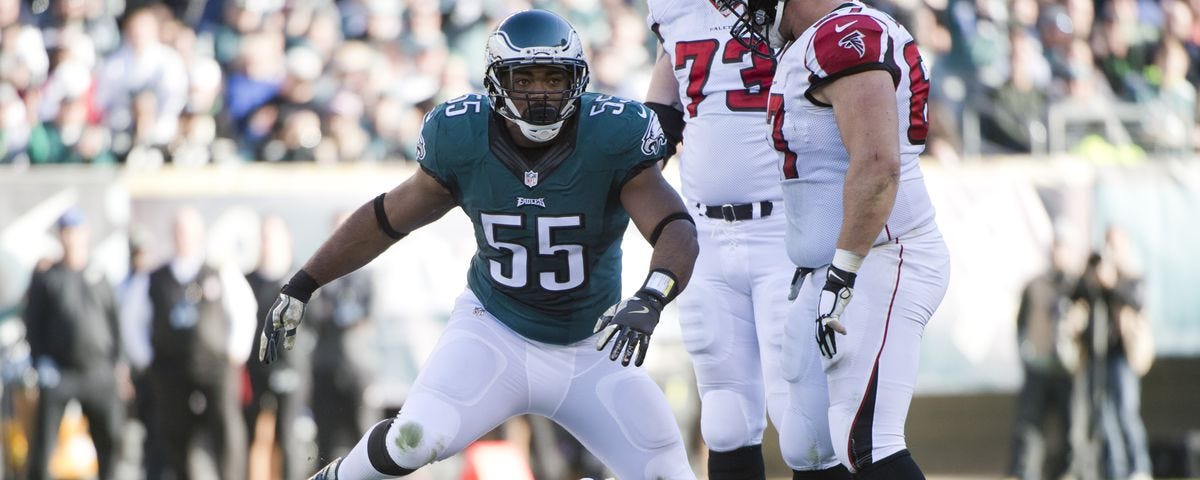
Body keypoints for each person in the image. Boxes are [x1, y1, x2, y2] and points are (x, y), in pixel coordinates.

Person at [259, 10, 700, 480]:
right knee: (413, 440)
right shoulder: (462, 136)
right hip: (494, 332)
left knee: (667, 473)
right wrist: (304, 283)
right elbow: (386, 218)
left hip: (593, 343)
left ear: (577, 80)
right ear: (495, 83)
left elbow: (674, 226)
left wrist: (653, 295)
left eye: (553, 78)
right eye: (524, 79)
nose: (540, 94)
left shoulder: (612, 136)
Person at [717, 0, 950, 477]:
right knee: (808, 446)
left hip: (878, 256)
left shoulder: (842, 34)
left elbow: (878, 165)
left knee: (865, 440)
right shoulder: (816, 39)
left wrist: (843, 275)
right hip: (834, 264)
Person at [643, 1, 846, 478]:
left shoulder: (795, 8)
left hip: (787, 227)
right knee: (724, 419)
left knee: (804, 426)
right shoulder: (674, 9)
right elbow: (662, 114)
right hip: (707, 233)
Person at [127, 206, 257, 479]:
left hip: (215, 368)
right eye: (179, 231)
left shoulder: (219, 271)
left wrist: (236, 350)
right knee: (174, 435)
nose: (183, 237)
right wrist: (145, 358)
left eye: (188, 231)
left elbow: (244, 309)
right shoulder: (155, 277)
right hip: (171, 369)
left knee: (226, 431)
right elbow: (132, 319)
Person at [22, 208, 127, 480]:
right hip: (61, 372)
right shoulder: (48, 276)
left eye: (76, 231)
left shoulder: (99, 274)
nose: (72, 238)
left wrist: (118, 362)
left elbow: (114, 321)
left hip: (97, 371)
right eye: (67, 232)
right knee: (44, 445)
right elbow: (33, 322)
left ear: (86, 234)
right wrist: (40, 360)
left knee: (110, 441)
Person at [1072, 227, 1153, 480]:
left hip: (1122, 355)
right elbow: (1077, 295)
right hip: (1098, 354)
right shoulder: (1096, 273)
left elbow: (1136, 301)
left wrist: (1113, 282)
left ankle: (1139, 467)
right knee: (1103, 416)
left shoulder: (1131, 275)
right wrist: (1090, 271)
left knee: (1126, 412)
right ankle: (1116, 471)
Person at [244, 215, 311, 480]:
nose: (267, 243)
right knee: (250, 436)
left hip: (292, 369)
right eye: (264, 237)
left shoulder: (303, 279)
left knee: (289, 438)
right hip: (255, 369)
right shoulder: (248, 281)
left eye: (272, 237)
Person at [307, 212, 375, 464]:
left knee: (363, 436)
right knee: (325, 440)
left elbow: (370, 317)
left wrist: (343, 316)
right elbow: (313, 314)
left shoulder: (366, 275)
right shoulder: (319, 273)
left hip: (358, 367)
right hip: (325, 365)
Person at [1008, 235, 1077, 480]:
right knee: (1029, 425)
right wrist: (1026, 355)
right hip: (1038, 366)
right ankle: (1025, 472)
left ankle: (1068, 472)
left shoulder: (1077, 286)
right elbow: (1021, 324)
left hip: (1068, 369)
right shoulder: (1035, 285)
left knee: (1071, 426)